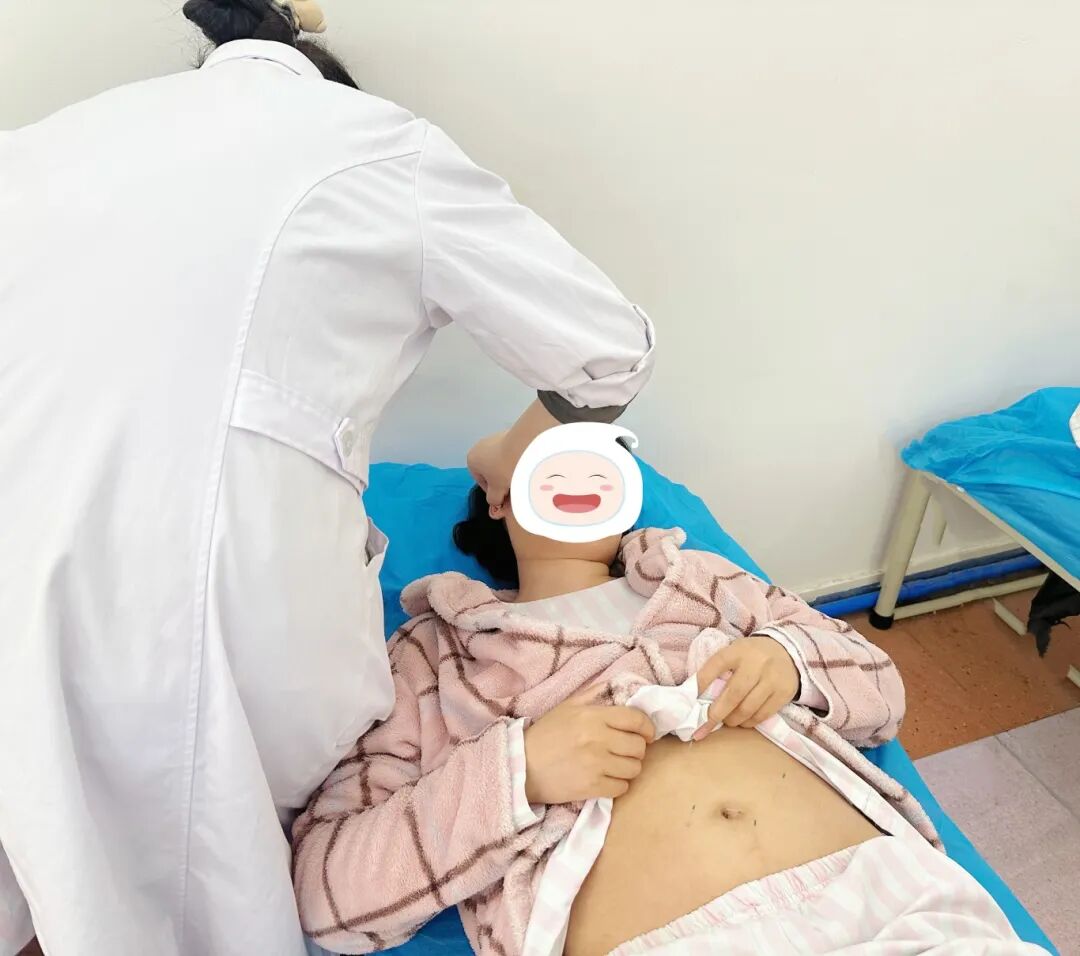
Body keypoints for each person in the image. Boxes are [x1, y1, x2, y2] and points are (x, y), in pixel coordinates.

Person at [0, 0, 654, 952]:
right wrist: (508, 453)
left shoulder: (43, 145)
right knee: (182, 861)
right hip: (199, 588)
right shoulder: (377, 144)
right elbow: (611, 352)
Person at [293, 486, 1043, 956]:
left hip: (897, 904)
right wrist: (517, 772)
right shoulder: (434, 652)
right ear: (497, 499)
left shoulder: (701, 578)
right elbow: (328, 895)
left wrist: (789, 659)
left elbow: (880, 685)